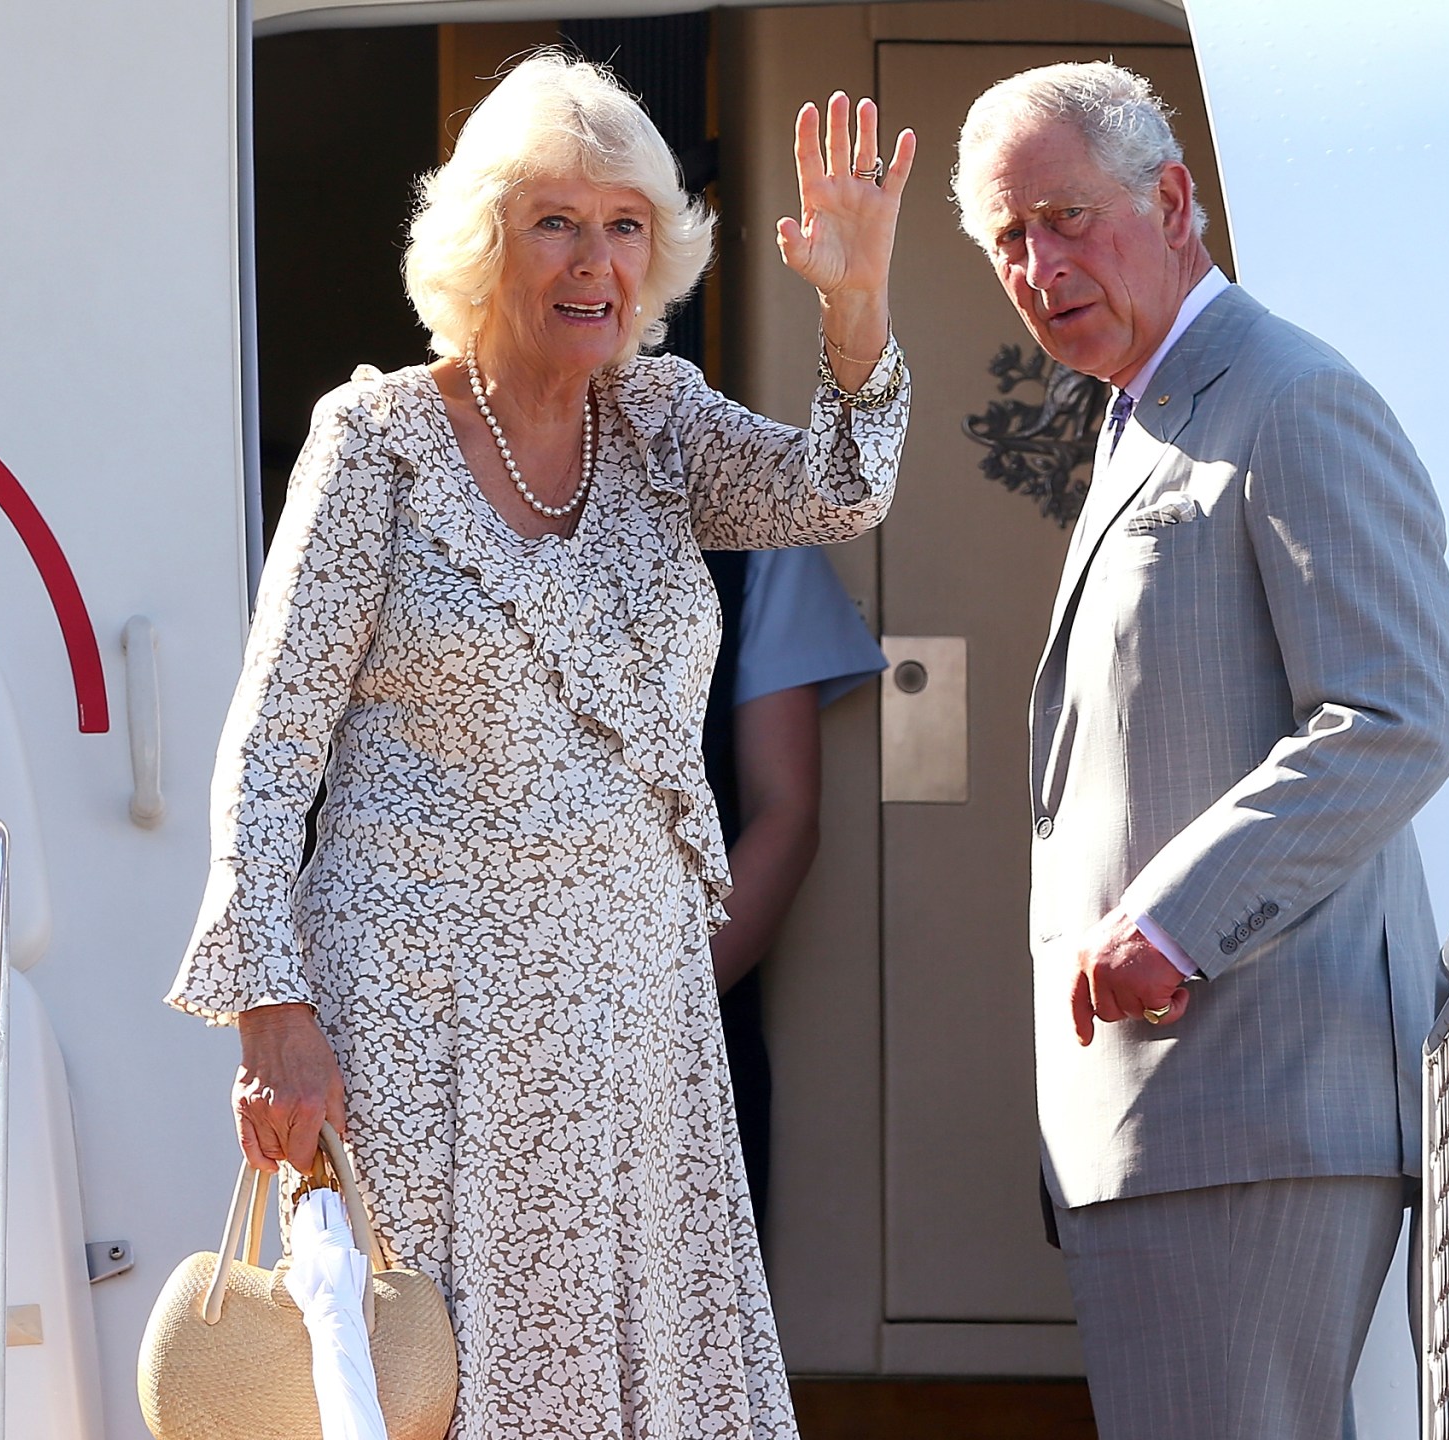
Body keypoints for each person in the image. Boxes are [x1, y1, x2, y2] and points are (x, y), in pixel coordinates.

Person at [165, 52, 915, 1440]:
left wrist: (856, 301)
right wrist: (272, 1016)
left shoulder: (665, 426)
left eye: (625, 225)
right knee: (430, 1389)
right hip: (419, 1023)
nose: (595, 262)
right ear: (483, 242)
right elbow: (271, 751)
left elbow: (840, 487)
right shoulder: (374, 445)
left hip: (634, 1020)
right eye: (555, 221)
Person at [954, 62, 1449, 1439]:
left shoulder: (1288, 398)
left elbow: (1396, 713)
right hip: (1178, 1116)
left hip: (1253, 1095)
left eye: (1068, 217)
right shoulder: (1147, 408)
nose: (1038, 264)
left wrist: (1173, 923)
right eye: (1008, 238)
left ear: (1172, 200)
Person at [700, 543, 888, 1229]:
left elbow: (785, 815)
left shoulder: (746, 508)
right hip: (430, 1020)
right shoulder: (378, 481)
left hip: (671, 1043)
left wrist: (646, 1017)